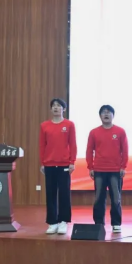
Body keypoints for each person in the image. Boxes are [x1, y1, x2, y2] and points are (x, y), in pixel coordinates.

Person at [86, 105, 128, 233]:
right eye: (103, 112)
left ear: (113, 115)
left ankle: (116, 223)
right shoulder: (94, 132)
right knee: (99, 197)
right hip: (99, 170)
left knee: (116, 198)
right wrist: (90, 167)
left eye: (109, 112)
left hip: (115, 170)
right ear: (100, 116)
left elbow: (125, 150)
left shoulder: (120, 131)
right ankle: (99, 222)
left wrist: (123, 166)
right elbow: (89, 150)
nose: (106, 114)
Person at [39, 98, 77, 235]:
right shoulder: (44, 125)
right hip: (49, 164)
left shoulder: (69, 124)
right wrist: (42, 163)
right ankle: (52, 222)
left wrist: (72, 162)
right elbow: (42, 145)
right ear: (51, 109)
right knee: (50, 193)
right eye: (53, 106)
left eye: (59, 106)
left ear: (64, 109)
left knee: (64, 193)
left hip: (64, 164)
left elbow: (72, 144)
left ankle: (63, 222)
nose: (56, 108)